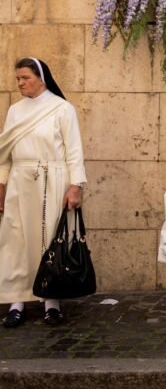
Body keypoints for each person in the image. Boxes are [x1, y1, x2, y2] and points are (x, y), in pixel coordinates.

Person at [0, 58, 86, 328]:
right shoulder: (15, 110)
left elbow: (74, 150)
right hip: (20, 181)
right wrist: (1, 185)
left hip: (54, 179)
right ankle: (16, 302)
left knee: (50, 239)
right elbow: (5, 155)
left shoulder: (62, 109)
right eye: (18, 79)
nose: (20, 83)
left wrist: (76, 186)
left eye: (25, 77)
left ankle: (51, 302)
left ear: (41, 78)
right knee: (17, 238)